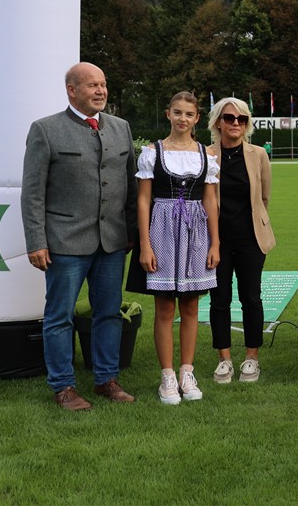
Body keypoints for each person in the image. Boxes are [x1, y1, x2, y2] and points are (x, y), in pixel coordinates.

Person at [21, 62, 138, 411]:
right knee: (60, 317)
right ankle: (63, 387)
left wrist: (132, 232)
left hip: (112, 242)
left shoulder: (121, 128)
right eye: (92, 85)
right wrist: (36, 241)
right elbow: (32, 193)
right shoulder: (45, 130)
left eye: (103, 84)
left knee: (109, 314)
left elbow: (131, 186)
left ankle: (106, 380)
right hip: (65, 243)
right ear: (71, 90)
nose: (101, 91)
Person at [127, 92, 220, 405]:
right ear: (168, 114)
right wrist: (145, 244)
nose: (183, 119)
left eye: (189, 114)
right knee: (165, 307)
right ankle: (167, 376)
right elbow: (143, 200)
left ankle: (186, 372)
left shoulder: (206, 155)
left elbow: (210, 201)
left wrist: (215, 242)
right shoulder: (152, 153)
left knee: (191, 307)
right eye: (177, 112)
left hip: (196, 233)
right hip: (162, 230)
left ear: (197, 118)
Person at [205, 97, 276, 384]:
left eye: (241, 119)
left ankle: (251, 358)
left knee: (251, 298)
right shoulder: (206, 155)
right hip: (216, 241)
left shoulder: (258, 154)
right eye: (229, 118)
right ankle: (224, 360)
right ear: (218, 122)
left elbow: (264, 197)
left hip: (251, 239)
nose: (235, 123)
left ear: (247, 124)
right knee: (219, 300)